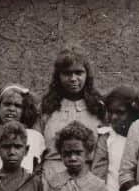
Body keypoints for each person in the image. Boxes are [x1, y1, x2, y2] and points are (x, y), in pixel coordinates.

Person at [40, 46, 105, 177]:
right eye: (67, 73)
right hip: (52, 176)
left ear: (87, 75)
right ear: (58, 76)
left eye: (78, 73)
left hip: (89, 176)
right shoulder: (46, 108)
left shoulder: (99, 108)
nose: (73, 78)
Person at [0, 84, 45, 173]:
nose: (11, 109)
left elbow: (37, 168)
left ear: (25, 110)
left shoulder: (34, 136)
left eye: (17, 106)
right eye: (7, 104)